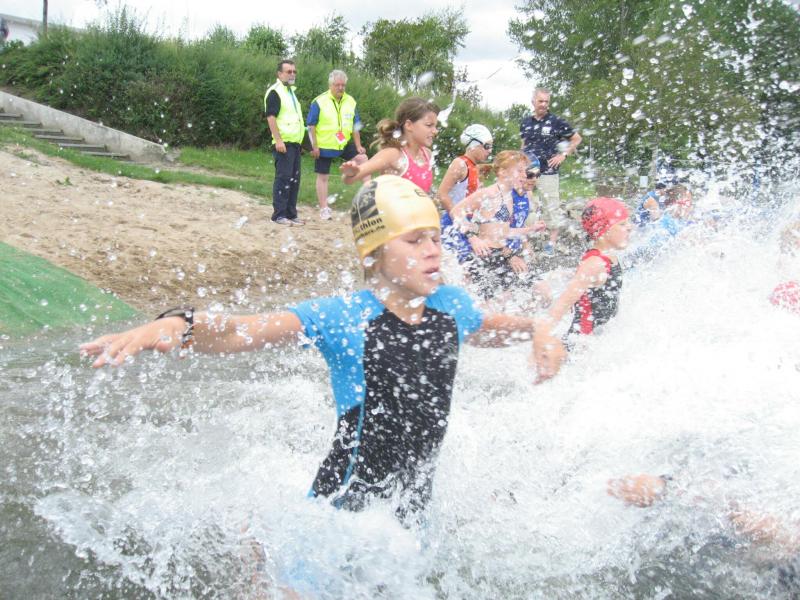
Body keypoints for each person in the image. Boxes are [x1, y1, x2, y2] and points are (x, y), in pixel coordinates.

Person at [81, 175, 551, 526]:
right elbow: (241, 331)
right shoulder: (342, 316)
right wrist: (177, 324)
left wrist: (538, 328)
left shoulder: (453, 306)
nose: (433, 250)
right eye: (414, 240)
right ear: (373, 255)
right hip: (337, 514)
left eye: (434, 237)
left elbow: (491, 329)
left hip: (411, 513)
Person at [532, 197, 631, 382]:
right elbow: (561, 305)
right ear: (603, 230)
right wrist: (542, 337)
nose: (630, 228)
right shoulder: (595, 264)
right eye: (622, 224)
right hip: (581, 347)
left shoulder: (608, 258)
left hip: (596, 342)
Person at [450, 151, 544, 302]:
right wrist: (473, 239)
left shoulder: (509, 197)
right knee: (490, 306)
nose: (524, 175)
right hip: (484, 256)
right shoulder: (488, 193)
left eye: (524, 171)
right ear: (502, 172)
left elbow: (503, 232)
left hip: (501, 255)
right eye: (519, 171)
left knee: (525, 298)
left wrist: (530, 229)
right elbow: (455, 212)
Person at [520, 88, 582, 256]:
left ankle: (551, 244)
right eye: (540, 101)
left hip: (548, 171)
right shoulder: (526, 122)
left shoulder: (556, 122)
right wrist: (520, 162)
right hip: (529, 170)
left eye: (546, 101)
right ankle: (524, 240)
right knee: (523, 203)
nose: (543, 104)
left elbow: (577, 139)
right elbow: (524, 144)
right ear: (533, 101)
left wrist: (563, 155)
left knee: (551, 206)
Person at [340, 98, 438, 193]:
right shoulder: (393, 154)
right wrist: (351, 173)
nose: (435, 131)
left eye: (435, 126)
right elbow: (348, 180)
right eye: (429, 125)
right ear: (409, 125)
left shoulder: (427, 154)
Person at [306, 70, 367, 220]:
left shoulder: (350, 101)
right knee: (323, 176)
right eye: (337, 85)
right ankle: (324, 208)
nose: (340, 88)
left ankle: (368, 196)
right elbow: (311, 125)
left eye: (343, 85)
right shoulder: (319, 101)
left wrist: (358, 145)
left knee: (363, 159)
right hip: (324, 144)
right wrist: (314, 146)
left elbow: (356, 125)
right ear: (330, 85)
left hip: (342, 142)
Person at [438, 124, 494, 263]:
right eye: (487, 146)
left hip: (465, 222)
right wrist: (460, 221)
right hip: (453, 222)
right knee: (452, 267)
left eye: (491, 147)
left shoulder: (474, 166)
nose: (490, 151)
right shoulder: (460, 164)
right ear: (474, 145)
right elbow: (442, 194)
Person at [264, 59, 305, 226]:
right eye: (289, 72)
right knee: (283, 178)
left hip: (295, 143)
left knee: (294, 180)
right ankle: (279, 215)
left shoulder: (291, 92)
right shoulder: (275, 92)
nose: (292, 74)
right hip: (283, 143)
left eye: (294, 71)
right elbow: (271, 117)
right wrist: (278, 140)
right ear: (279, 74)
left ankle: (291, 213)